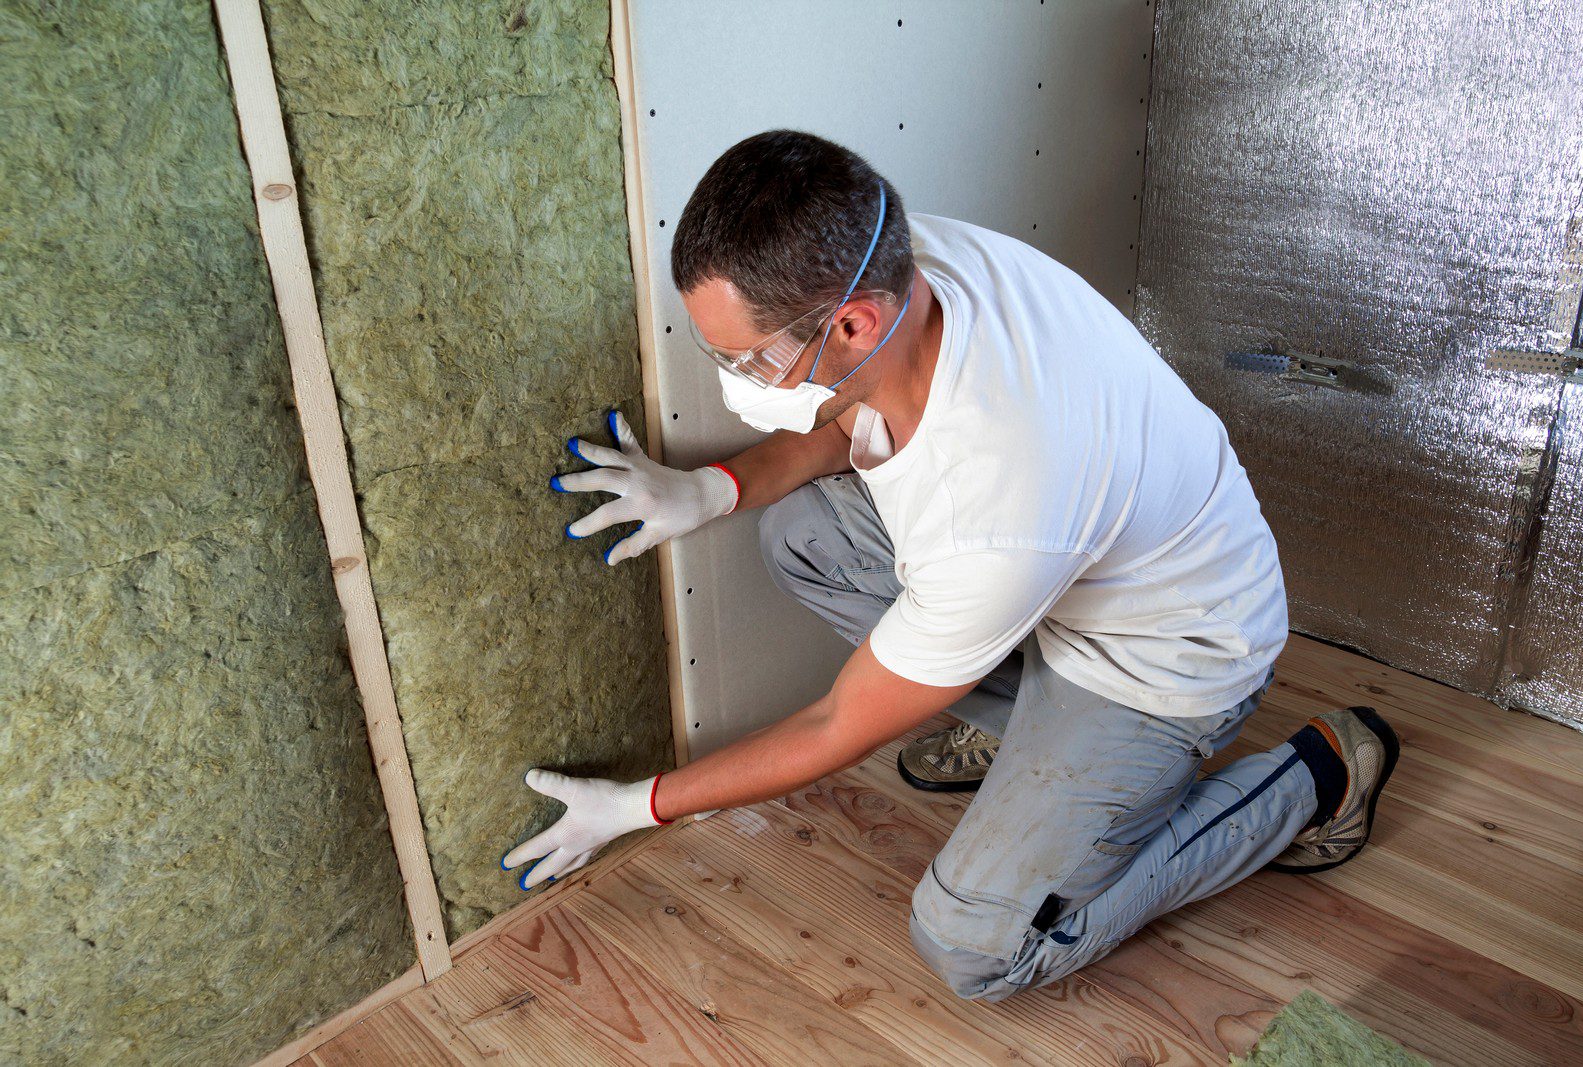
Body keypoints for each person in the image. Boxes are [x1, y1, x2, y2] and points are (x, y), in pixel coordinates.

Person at [501, 130, 1400, 1000]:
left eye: (747, 357)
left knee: (977, 946)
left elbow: (831, 727)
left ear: (855, 322)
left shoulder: (1001, 495)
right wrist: (712, 491)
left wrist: (640, 805)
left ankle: (1317, 774)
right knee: (802, 532)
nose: (738, 375)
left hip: (1167, 658)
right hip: (1068, 580)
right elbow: (848, 413)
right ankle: (1036, 748)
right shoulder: (891, 251)